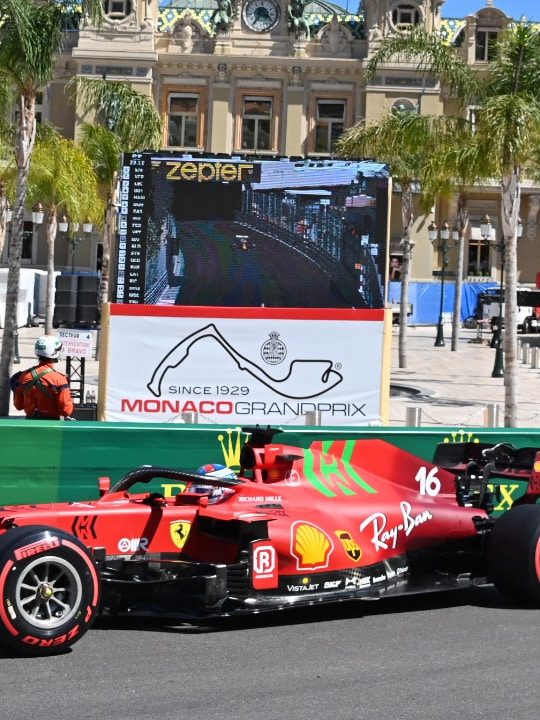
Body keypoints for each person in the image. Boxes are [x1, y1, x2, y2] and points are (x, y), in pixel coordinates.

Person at [10, 335, 75, 420]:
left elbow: (18, 406)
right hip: (51, 426)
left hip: (30, 424)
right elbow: (66, 411)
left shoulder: (23, 376)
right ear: (55, 352)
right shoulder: (59, 379)